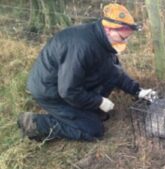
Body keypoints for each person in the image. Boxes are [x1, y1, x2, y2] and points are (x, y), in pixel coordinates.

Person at [17, 3, 157, 141]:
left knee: (111, 75)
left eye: (127, 38)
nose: (125, 42)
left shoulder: (102, 39)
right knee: (93, 129)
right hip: (50, 91)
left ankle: (85, 112)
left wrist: (138, 91)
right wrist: (99, 101)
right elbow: (68, 91)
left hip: (68, 82)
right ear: (109, 29)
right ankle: (35, 123)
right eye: (122, 38)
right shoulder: (82, 48)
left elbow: (114, 71)